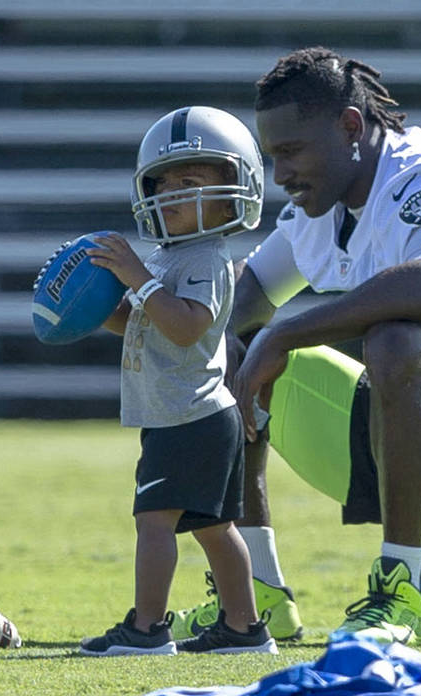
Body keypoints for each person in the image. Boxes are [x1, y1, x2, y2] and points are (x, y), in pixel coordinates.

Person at [178, 46, 421, 647]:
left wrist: (286, 333)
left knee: (396, 340)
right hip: (410, 445)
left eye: (291, 151)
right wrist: (149, 311)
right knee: (228, 352)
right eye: (272, 156)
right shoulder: (322, 199)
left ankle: (398, 592)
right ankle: (254, 598)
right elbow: (246, 298)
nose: (280, 173)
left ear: (351, 127)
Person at [77, 106, 275, 656]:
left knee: (154, 523)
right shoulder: (169, 258)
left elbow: (187, 327)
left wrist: (138, 279)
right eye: (164, 184)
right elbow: (148, 322)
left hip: (189, 415)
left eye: (190, 183)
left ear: (234, 189)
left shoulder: (207, 258)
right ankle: (244, 628)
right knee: (215, 528)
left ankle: (146, 629)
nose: (171, 195)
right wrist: (97, 307)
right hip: (188, 413)